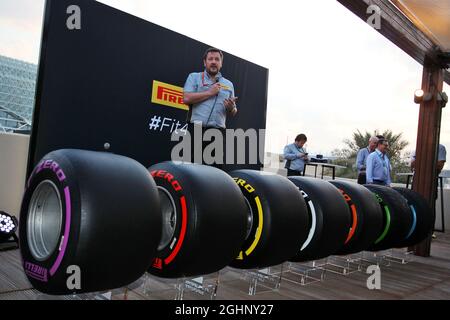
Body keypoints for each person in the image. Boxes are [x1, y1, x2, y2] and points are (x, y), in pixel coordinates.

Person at [183, 48, 238, 167]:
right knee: (190, 169)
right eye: (210, 59)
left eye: (217, 59)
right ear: (205, 62)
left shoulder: (229, 84)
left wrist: (231, 108)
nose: (214, 62)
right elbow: (186, 99)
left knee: (213, 173)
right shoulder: (194, 77)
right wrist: (210, 92)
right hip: (196, 129)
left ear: (221, 63)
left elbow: (234, 111)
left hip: (217, 133)